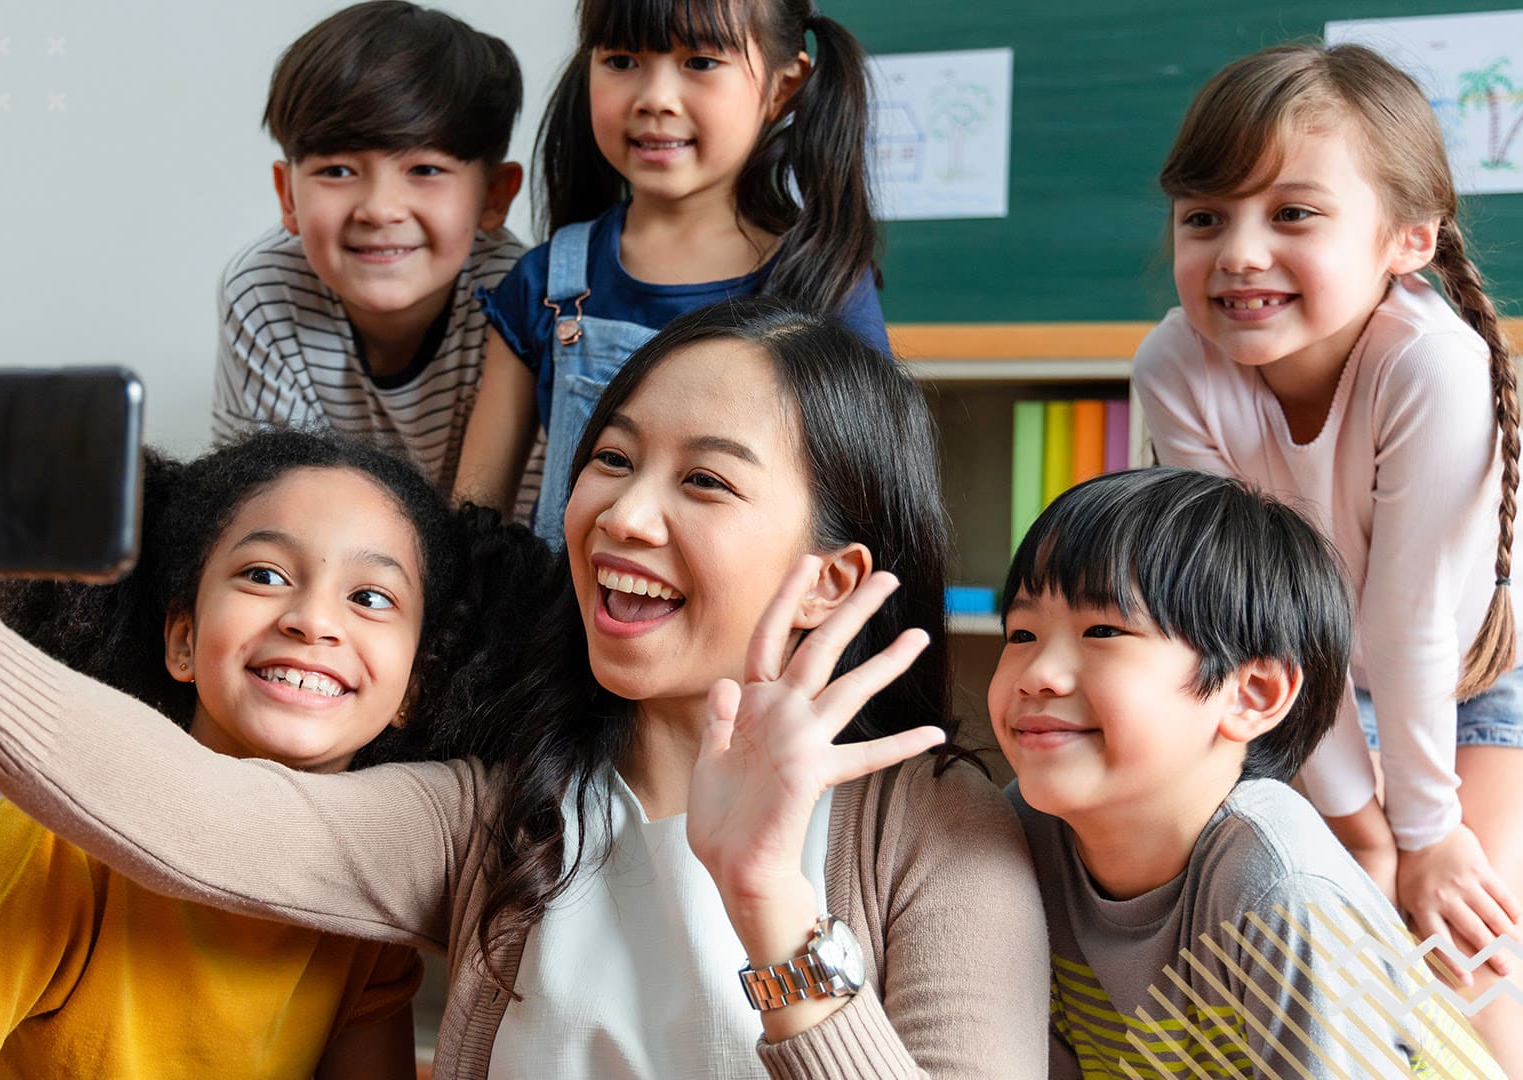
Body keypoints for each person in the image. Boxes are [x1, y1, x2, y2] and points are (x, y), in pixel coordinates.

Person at [0, 302, 1049, 1078]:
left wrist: (768, 899)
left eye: (704, 482)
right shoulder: (508, 811)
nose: (620, 514)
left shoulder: (941, 833)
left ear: (831, 580)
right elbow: (210, 814)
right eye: (610, 459)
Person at [0, 391, 549, 1078]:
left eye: (369, 596)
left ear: (412, 691)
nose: (313, 620)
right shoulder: (51, 849)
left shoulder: (368, 909)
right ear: (183, 641)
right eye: (264, 575)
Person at [1133, 42, 1523, 1065]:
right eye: (1204, 217)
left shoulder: (1434, 363)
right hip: (1296, 685)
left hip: (1469, 675)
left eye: (1292, 214)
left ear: (1407, 240)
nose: (1239, 254)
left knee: (1460, 953)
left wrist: (1427, 834)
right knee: (1341, 924)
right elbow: (1259, 613)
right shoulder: (1177, 361)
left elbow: (1410, 627)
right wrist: (1359, 831)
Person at [993, 467, 1499, 1077]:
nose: (1037, 672)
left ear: (1251, 694)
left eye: (1103, 630)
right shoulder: (1019, 835)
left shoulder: (1280, 886)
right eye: (1021, 633)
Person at [453, 0, 890, 543]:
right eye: (621, 60)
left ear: (784, 87)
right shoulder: (544, 282)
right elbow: (474, 525)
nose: (655, 98)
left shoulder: (824, 285)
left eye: (701, 61)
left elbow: (867, 517)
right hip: (561, 624)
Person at [214, 1, 542, 514]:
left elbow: (516, 534)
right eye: (339, 171)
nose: (380, 209)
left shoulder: (521, 302)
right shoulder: (264, 291)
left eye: (426, 170)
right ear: (287, 196)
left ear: (495, 195)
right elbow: (264, 506)